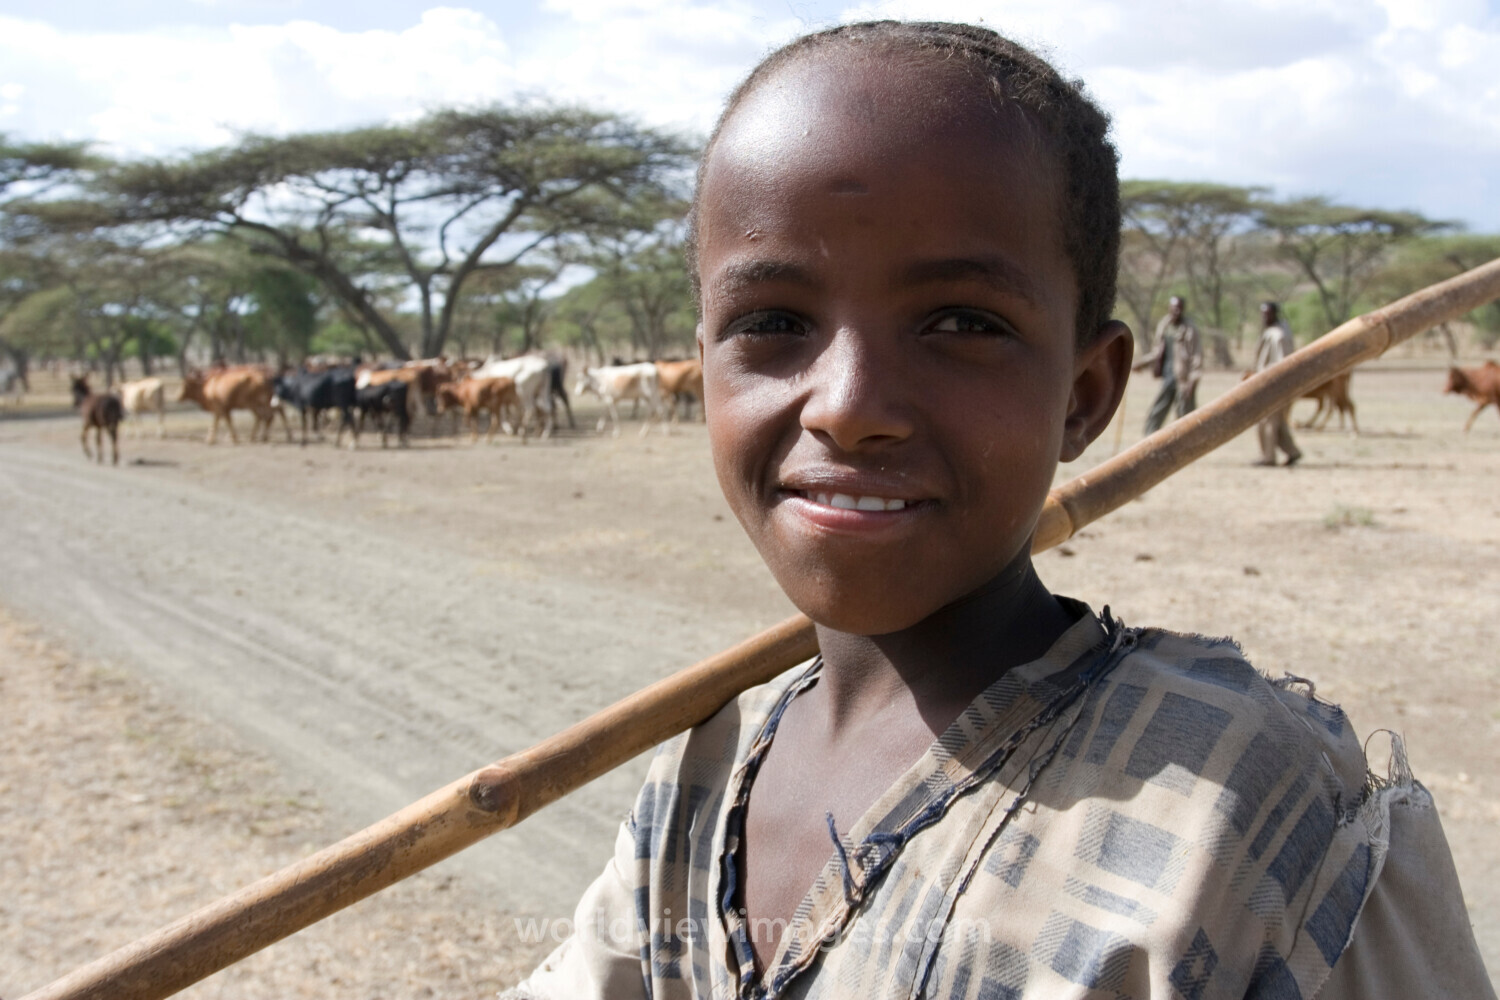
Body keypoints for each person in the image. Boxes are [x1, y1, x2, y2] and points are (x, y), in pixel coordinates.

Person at [503, 22, 1491, 1000]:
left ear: (1087, 392)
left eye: (963, 323)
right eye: (772, 323)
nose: (846, 405)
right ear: (704, 366)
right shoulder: (700, 777)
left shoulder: (1251, 817)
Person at [1134, 295, 1203, 434]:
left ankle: (1186, 444)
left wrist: (1193, 379)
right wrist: (1141, 363)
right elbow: (1157, 352)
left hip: (1183, 379)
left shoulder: (1189, 329)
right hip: (1168, 376)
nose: (1175, 311)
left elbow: (1197, 356)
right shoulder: (1165, 326)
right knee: (1158, 410)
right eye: (1173, 308)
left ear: (1182, 309)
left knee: (1185, 414)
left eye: (1178, 308)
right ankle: (1149, 440)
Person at [1254, 302, 1303, 466]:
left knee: (1266, 421)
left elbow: (1283, 363)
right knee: (1277, 422)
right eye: (1262, 314)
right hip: (1268, 383)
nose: (1264, 317)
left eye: (1267, 314)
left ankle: (1268, 457)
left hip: (1275, 384)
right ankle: (1292, 451)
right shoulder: (1272, 332)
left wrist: (1276, 384)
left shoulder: (1279, 335)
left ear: (1275, 314)